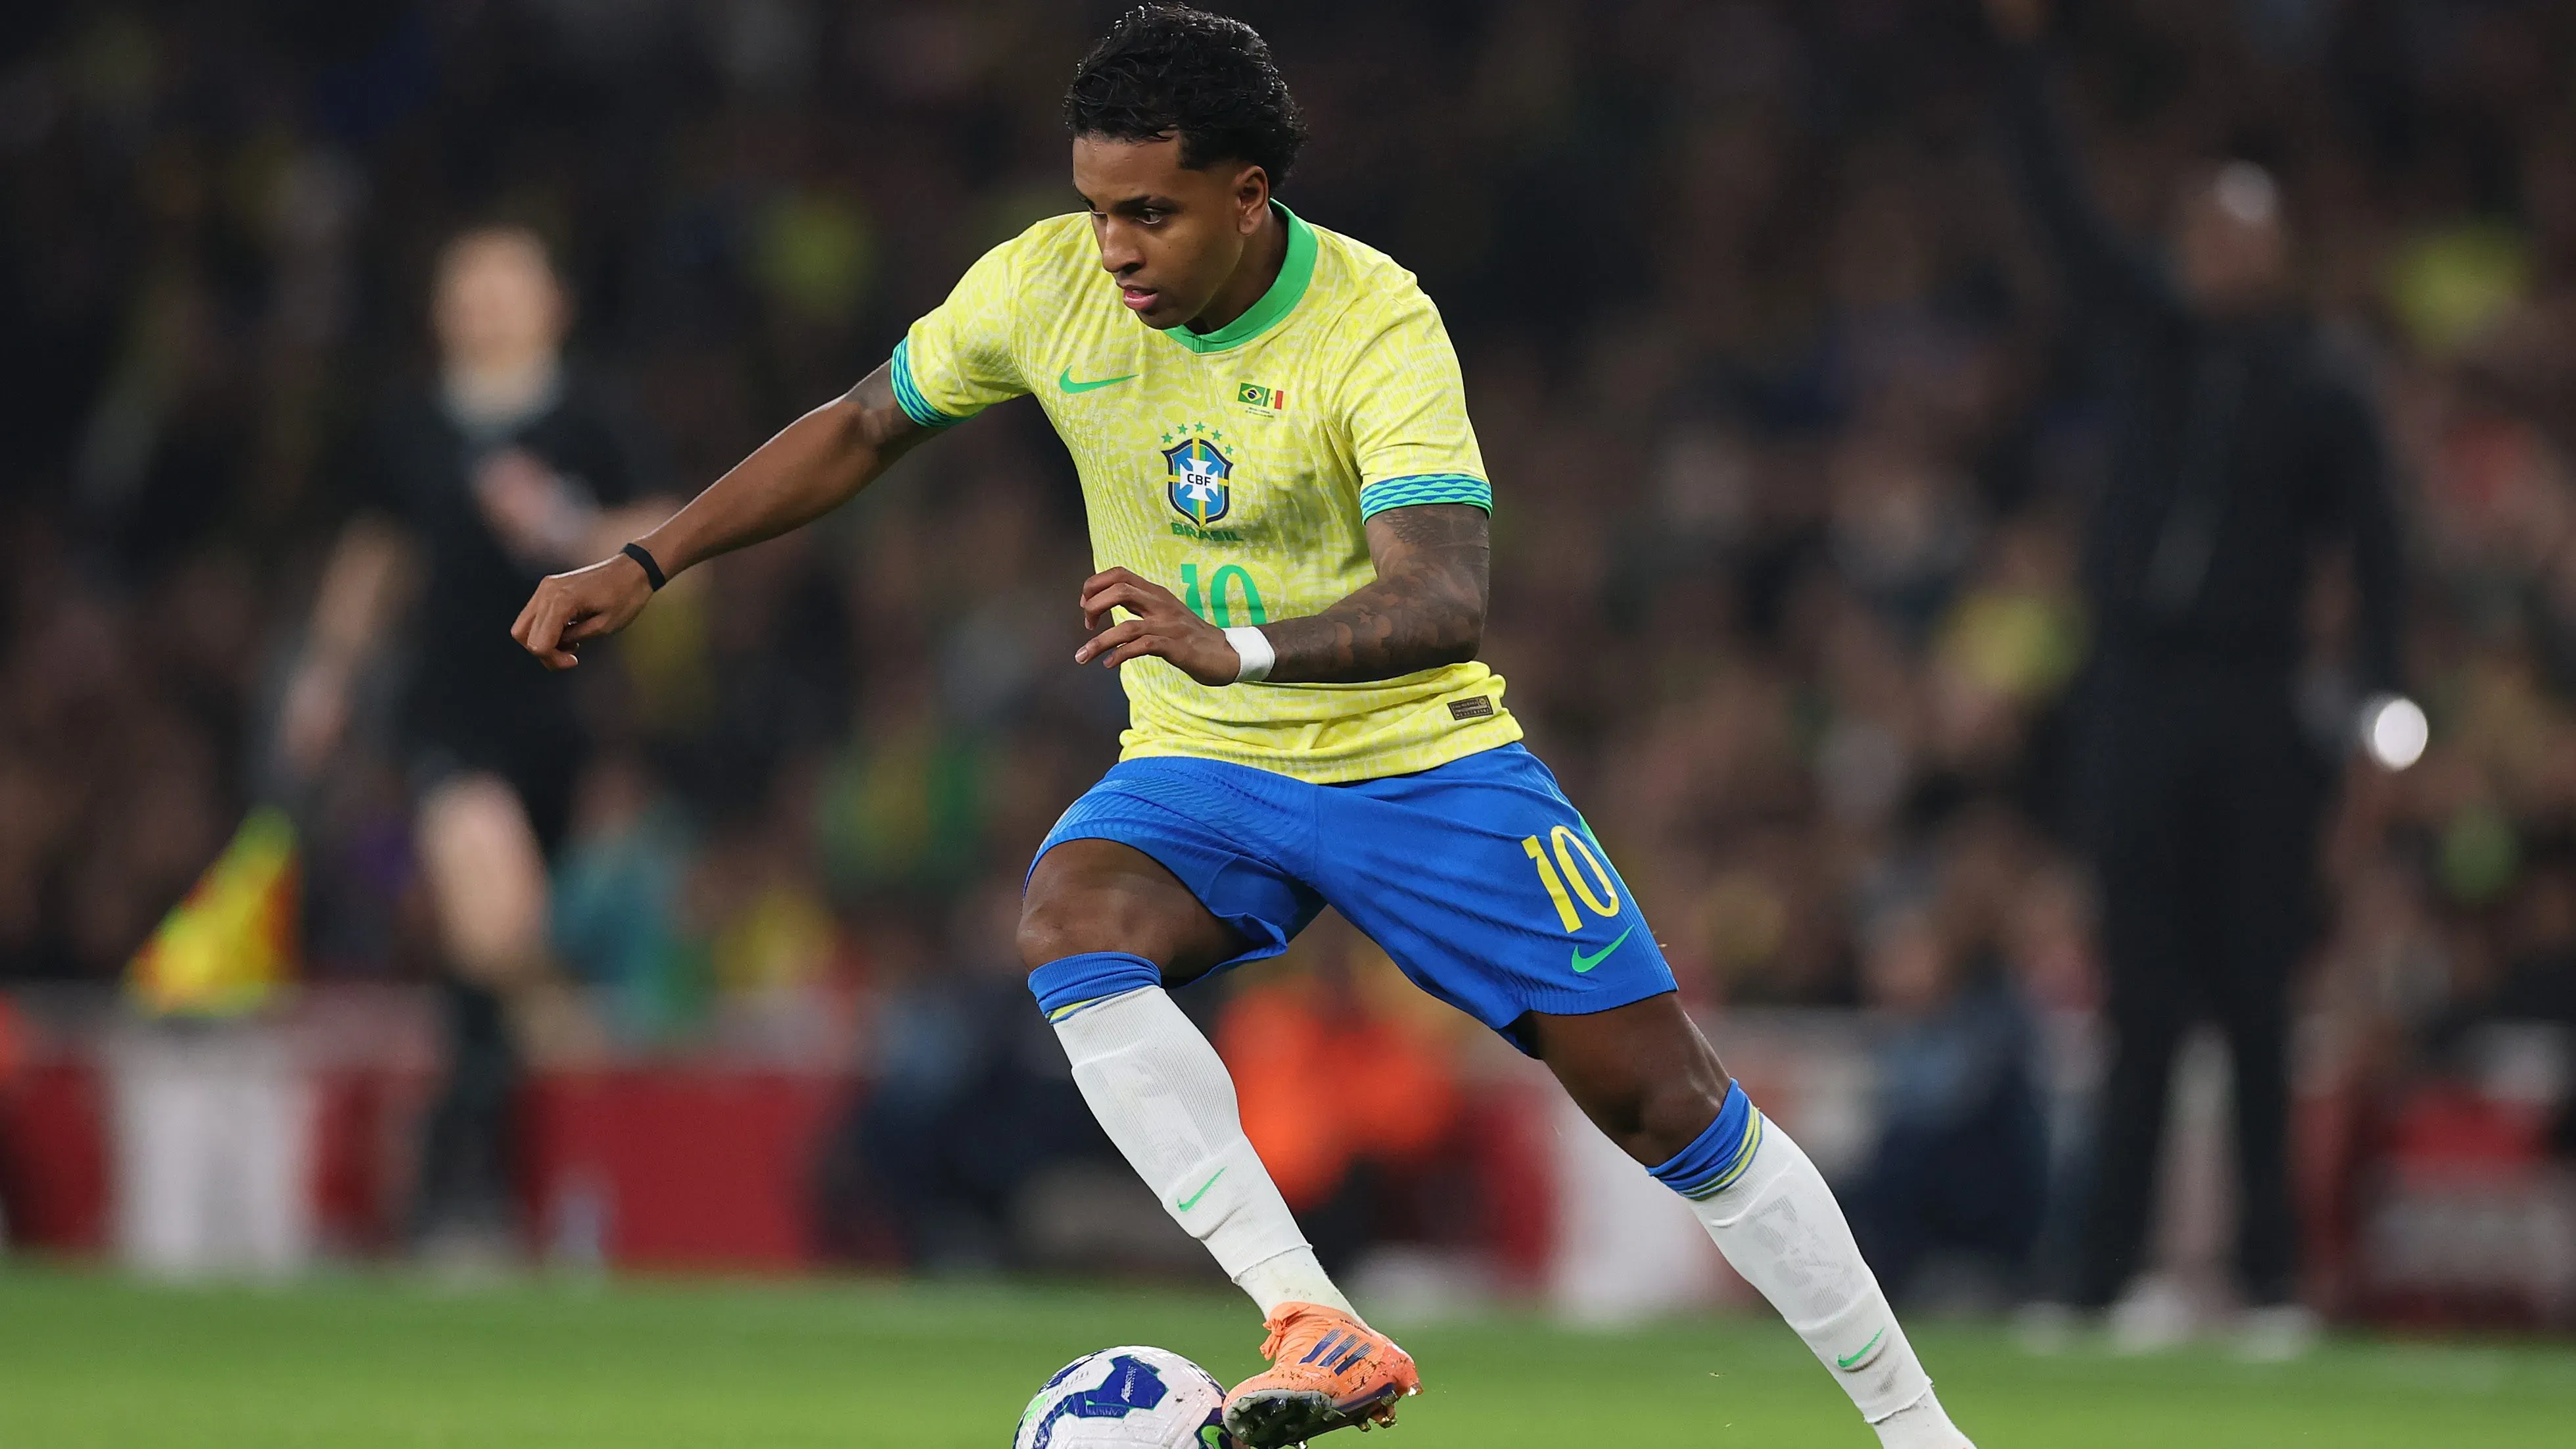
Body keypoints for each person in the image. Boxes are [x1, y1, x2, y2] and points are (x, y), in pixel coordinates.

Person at [511, 9, 1973, 1446]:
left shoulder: (1374, 321)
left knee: (1668, 1108)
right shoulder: (1045, 287)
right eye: (1095, 209)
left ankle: (1919, 1433)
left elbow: (1446, 595)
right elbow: (860, 423)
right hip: (1205, 767)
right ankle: (1308, 1317)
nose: (1115, 248)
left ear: (1247, 194)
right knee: (1071, 922)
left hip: (1419, 761)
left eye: (1150, 212)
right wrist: (647, 560)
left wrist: (1243, 646)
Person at [1983, 0, 2406, 1353]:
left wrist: (2380, 731)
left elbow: (2383, 564)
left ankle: (2272, 1280)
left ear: (2279, 253)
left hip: (2255, 700)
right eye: (2206, 234)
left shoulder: (2326, 388)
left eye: (2244, 236)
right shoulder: (2149, 335)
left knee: (2258, 999)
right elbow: (2061, 212)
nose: (2219, 257)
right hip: (2137, 694)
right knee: (2142, 1000)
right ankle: (2099, 1280)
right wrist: (2027, 60)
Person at [279, 225, 668, 1254]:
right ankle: (522, 1097)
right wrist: (328, 674)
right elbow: (377, 554)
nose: (487, 304)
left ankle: (466, 1175)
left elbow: (667, 533)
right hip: (450, 714)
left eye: (508, 284)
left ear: (555, 303)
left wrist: (565, 524)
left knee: (479, 959)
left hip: (570, 721)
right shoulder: (409, 426)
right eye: (468, 285)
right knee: (493, 911)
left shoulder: (592, 418)